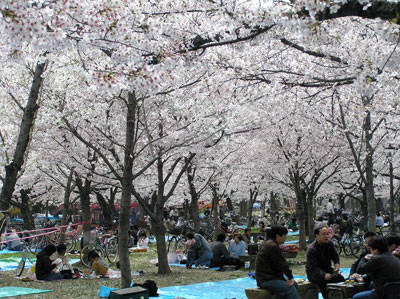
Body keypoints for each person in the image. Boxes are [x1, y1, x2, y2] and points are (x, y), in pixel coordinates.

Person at [255, 225, 299, 299]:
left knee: (294, 284)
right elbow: (282, 264)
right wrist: (290, 278)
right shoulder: (272, 246)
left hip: (271, 277)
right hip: (266, 279)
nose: (285, 238)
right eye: (284, 236)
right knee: (290, 288)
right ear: (278, 236)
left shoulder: (270, 243)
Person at [306, 226, 343, 298]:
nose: (326, 236)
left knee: (341, 279)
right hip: (314, 273)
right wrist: (324, 275)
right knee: (324, 283)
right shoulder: (312, 249)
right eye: (323, 234)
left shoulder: (330, 244)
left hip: (327, 269)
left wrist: (337, 267)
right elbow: (313, 268)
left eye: (327, 233)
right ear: (317, 236)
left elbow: (335, 257)